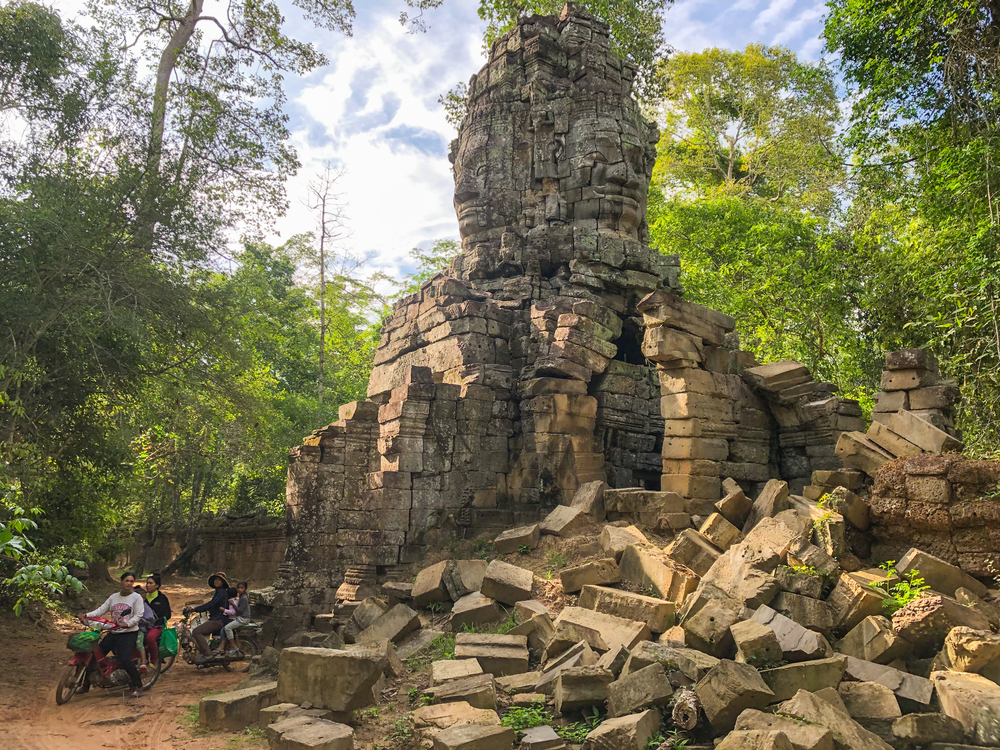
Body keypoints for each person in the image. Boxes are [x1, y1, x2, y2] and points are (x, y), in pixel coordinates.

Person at [83, 571, 146, 698]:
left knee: (124, 659)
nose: (129, 583)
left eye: (131, 581)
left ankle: (138, 685)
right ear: (121, 582)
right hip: (114, 631)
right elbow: (101, 610)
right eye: (126, 581)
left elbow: (139, 614)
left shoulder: (136, 598)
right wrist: (86, 616)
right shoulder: (113, 597)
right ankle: (85, 685)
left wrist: (127, 624)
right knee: (94, 656)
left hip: (128, 633)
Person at [183, 571, 231, 663]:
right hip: (216, 619)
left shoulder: (221, 592)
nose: (216, 581)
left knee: (196, 631)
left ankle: (208, 654)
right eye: (215, 580)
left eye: (219, 580)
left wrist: (195, 609)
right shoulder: (218, 592)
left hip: (219, 620)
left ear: (223, 582)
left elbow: (211, 604)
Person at [143, 573, 171, 666]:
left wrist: (159, 621)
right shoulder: (142, 597)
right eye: (147, 583)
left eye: (151, 583)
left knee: (150, 638)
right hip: (142, 624)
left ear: (157, 585)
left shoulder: (162, 598)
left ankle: (154, 660)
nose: (148, 585)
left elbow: (167, 614)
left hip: (157, 625)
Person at [218, 581, 251, 655]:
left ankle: (233, 646)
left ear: (245, 589)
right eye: (238, 588)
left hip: (244, 618)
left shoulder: (244, 598)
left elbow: (240, 611)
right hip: (241, 617)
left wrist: (233, 605)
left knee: (227, 628)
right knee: (224, 628)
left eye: (241, 588)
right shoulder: (242, 597)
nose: (239, 589)